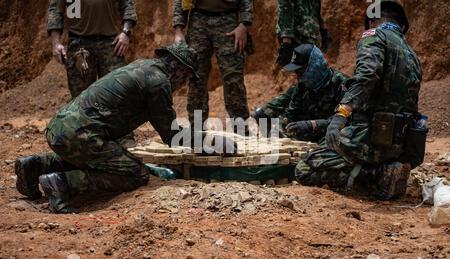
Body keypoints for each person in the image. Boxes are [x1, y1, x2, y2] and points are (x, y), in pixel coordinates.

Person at [14, 43, 236, 214]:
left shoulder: (143, 66)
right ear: (179, 69)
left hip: (61, 129)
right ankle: (61, 184)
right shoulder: (158, 83)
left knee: (100, 157)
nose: (184, 83)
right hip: (81, 135)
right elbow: (172, 136)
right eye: (187, 77)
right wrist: (214, 142)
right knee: (135, 173)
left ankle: (36, 165)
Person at [295, 0, 424, 200]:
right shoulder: (412, 54)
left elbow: (366, 77)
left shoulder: (374, 36)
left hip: (371, 138)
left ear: (373, 21)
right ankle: (386, 167)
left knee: (305, 167)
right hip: (399, 142)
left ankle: (378, 175)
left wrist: (341, 115)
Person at [172, 0, 253, 129]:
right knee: (196, 77)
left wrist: (243, 25)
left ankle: (241, 127)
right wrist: (178, 29)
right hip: (198, 22)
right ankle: (197, 129)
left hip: (229, 21)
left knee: (233, 76)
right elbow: (180, 1)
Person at [252, 44, 349, 142]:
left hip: (335, 139)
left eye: (301, 71)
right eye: (297, 73)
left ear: (315, 65)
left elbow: (348, 121)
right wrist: (282, 128)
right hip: (311, 140)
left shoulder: (342, 85)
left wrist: (313, 124)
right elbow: (291, 114)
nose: (299, 77)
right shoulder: (303, 86)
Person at [48, 0, 138, 98]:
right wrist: (55, 43)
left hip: (109, 43)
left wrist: (126, 32)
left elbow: (127, 5)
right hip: (79, 43)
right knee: (81, 98)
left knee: (118, 92)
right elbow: (55, 10)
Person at [276, 0, 331, 66]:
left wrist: (324, 31)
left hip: (311, 39)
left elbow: (317, 9)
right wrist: (286, 42)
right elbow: (285, 11)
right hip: (298, 40)